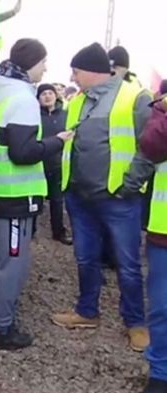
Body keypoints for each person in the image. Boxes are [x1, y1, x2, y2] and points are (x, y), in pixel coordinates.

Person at [0, 38, 74, 350]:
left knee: (0, 258)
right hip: (16, 196)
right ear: (31, 63)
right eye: (43, 62)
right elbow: (23, 152)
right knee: (14, 262)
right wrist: (57, 141)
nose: (46, 68)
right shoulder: (23, 99)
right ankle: (2, 329)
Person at [51, 43, 154, 353]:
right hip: (80, 197)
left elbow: (149, 146)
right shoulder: (78, 101)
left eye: (76, 71)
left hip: (119, 199)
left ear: (93, 71)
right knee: (85, 258)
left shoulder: (135, 97)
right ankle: (87, 311)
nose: (73, 77)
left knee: (127, 263)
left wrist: (129, 184)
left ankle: (135, 323)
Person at [139, 93, 167, 393]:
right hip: (164, 231)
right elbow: (151, 145)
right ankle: (161, 374)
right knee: (163, 308)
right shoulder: (162, 111)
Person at [37, 83, 72, 245]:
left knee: (57, 201)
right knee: (36, 199)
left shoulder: (66, 115)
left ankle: (58, 232)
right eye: (43, 94)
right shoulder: (33, 115)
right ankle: (30, 231)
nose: (47, 96)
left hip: (59, 164)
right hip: (38, 163)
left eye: (50, 93)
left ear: (56, 96)